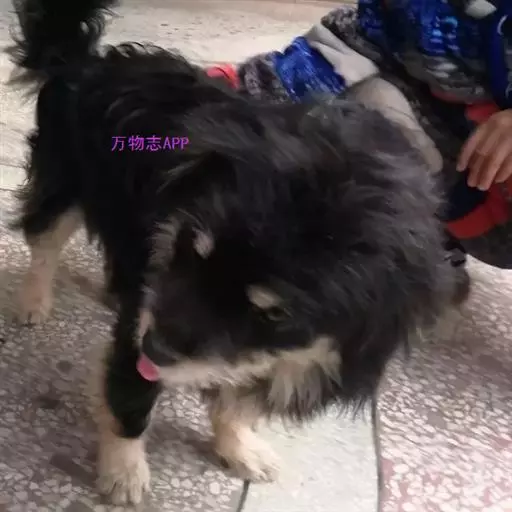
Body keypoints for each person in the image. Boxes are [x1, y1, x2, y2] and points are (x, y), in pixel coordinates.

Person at [207, 0, 512, 271]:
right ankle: (425, 229)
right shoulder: (410, 15)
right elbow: (337, 53)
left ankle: (418, 237)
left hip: (496, 210)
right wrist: (219, 100)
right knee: (352, 107)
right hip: (465, 180)